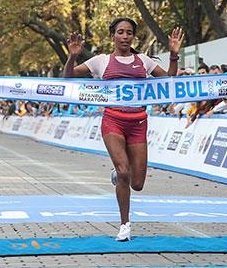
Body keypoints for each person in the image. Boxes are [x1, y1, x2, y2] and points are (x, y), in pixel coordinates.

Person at [63, 18, 184, 241]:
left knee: (136, 184)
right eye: (121, 32)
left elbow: (169, 80)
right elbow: (67, 78)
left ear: (133, 37)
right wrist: (72, 56)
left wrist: (174, 53)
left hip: (138, 122)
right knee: (124, 171)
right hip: (113, 121)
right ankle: (124, 225)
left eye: (129, 32)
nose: (125, 36)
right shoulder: (101, 61)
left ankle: (119, 175)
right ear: (113, 36)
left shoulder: (143, 61)